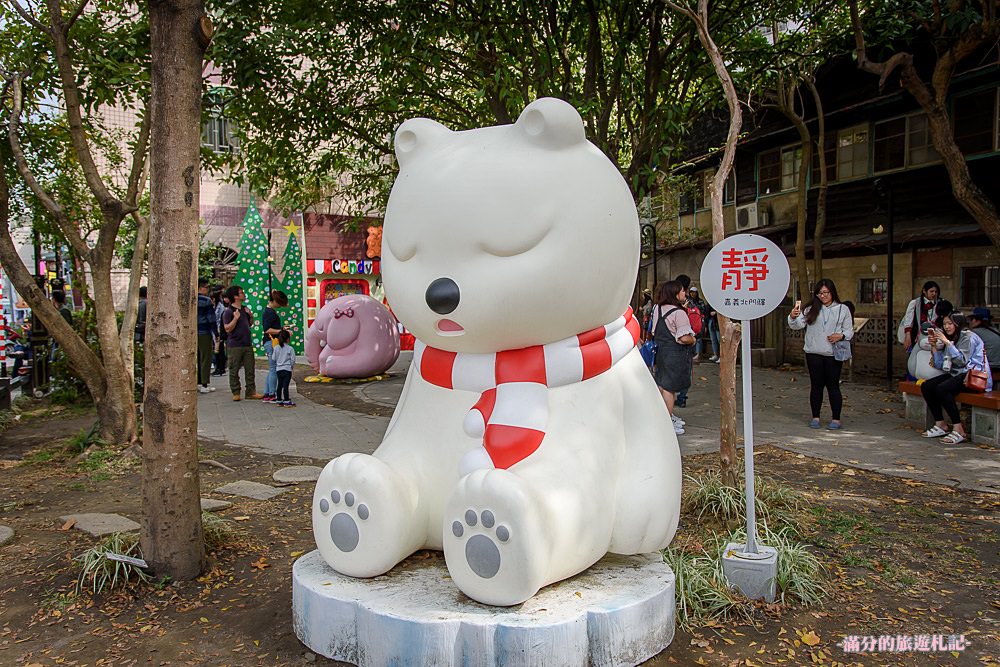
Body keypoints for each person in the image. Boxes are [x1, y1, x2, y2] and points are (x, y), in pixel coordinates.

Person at [787, 279, 853, 430]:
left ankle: (836, 418)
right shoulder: (811, 308)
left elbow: (849, 330)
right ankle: (815, 416)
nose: (823, 296)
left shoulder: (842, 309)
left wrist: (840, 336)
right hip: (813, 352)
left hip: (832, 353)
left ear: (832, 292)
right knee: (816, 386)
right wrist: (792, 316)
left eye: (826, 292)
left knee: (833, 386)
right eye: (820, 293)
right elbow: (797, 325)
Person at [920, 312, 992, 445]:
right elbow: (940, 364)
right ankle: (941, 424)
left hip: (973, 377)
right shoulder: (952, 337)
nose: (946, 327)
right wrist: (934, 346)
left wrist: (947, 343)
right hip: (957, 374)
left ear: (958, 324)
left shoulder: (968, 337)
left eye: (950, 323)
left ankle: (959, 429)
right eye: (945, 324)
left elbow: (962, 361)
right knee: (927, 386)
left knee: (943, 389)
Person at [650, 280, 696, 435]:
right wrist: (693, 339)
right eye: (683, 291)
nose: (685, 293)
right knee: (670, 389)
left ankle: (659, 419)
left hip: (660, 352)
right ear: (675, 294)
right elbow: (684, 338)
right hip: (674, 354)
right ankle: (667, 424)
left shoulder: (657, 308)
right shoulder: (679, 313)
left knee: (661, 386)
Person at [221, 285, 261, 401]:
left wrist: (251, 316)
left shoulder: (245, 309)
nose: (243, 294)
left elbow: (250, 324)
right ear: (235, 296)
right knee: (234, 369)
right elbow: (227, 328)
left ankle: (251, 391)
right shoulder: (229, 312)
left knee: (250, 369)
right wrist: (235, 318)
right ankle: (236, 391)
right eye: (241, 292)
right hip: (235, 345)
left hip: (247, 343)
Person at [898, 281, 940, 378]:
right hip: (917, 338)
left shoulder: (939, 304)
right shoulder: (915, 303)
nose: (934, 294)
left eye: (936, 292)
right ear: (924, 291)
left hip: (932, 339)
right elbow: (909, 321)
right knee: (914, 360)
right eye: (931, 291)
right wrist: (907, 336)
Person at [261, 290, 288, 403]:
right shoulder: (270, 313)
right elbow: (267, 330)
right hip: (271, 342)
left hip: (269, 342)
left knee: (272, 369)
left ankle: (267, 393)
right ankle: (272, 394)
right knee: (274, 369)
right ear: (275, 301)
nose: (280, 306)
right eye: (279, 303)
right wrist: (281, 330)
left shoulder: (269, 311)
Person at [196, 278, 217, 394]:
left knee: (197, 357)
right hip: (204, 331)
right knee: (206, 357)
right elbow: (211, 318)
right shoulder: (206, 300)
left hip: (193, 331)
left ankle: (198, 382)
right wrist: (216, 332)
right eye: (206, 287)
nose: (207, 289)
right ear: (201, 287)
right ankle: (205, 383)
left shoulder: (191, 299)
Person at [967, 307, 1000, 376]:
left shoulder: (974, 333)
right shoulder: (995, 330)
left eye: (971, 319)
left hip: (989, 367)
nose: (970, 322)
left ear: (978, 321)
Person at [272, 329, 296, 407]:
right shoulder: (290, 348)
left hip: (279, 369)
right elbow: (293, 360)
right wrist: (291, 367)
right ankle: (286, 400)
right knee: (285, 386)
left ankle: (279, 399)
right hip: (287, 369)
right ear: (288, 339)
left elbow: (273, 358)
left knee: (279, 384)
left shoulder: (276, 348)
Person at [212, 288, 229, 375]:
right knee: (217, 349)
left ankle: (221, 367)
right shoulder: (215, 306)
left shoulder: (221, 307)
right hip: (214, 329)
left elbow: (220, 319)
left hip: (219, 329)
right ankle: (217, 367)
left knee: (220, 349)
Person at [704, 297, 721, 363]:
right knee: (713, 340)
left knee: (720, 340)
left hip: (718, 322)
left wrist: (716, 312)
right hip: (711, 321)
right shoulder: (710, 300)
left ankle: (721, 356)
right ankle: (716, 354)